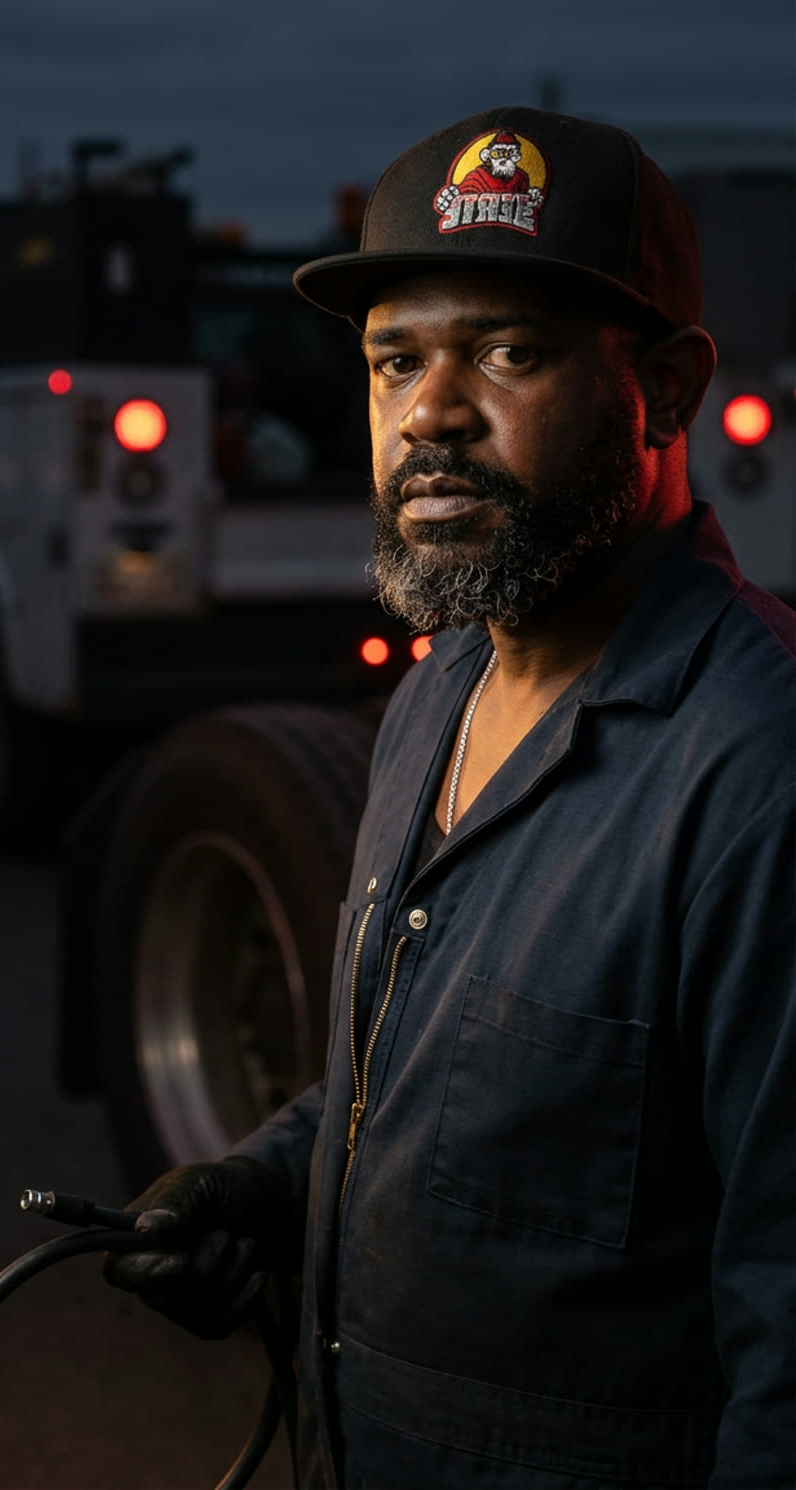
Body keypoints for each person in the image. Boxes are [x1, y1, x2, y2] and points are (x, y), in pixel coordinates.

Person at [104, 106, 795, 1489]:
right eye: (396, 361)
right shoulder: (443, 691)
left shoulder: (755, 772)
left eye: (508, 351)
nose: (431, 410)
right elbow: (460, 1078)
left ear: (667, 387)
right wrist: (274, 1176)